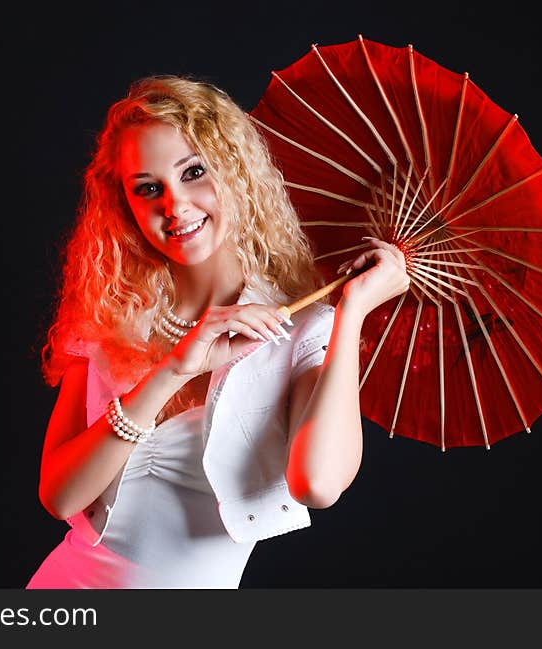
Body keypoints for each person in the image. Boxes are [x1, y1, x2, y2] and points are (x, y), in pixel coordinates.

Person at [26, 75, 409, 589]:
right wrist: (172, 371)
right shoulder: (112, 312)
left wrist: (353, 312)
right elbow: (61, 496)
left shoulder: (300, 328)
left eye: (194, 172)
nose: (175, 204)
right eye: (148, 188)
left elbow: (317, 484)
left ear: (237, 172)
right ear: (125, 205)